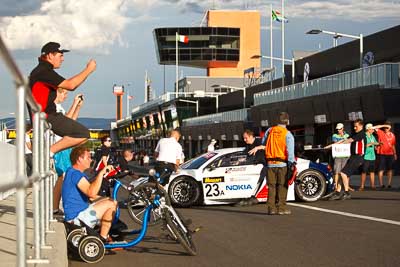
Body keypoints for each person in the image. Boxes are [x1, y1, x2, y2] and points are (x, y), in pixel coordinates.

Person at [29, 41, 96, 155]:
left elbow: (71, 83)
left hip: (44, 115)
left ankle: (48, 152)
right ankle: (48, 153)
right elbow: (71, 85)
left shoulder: (41, 71)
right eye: (60, 55)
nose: (62, 59)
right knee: (83, 133)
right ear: (50, 55)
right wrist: (89, 70)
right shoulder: (44, 72)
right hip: (46, 116)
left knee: (81, 134)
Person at [62, 146, 117, 242]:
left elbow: (90, 195)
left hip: (76, 214)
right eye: (88, 157)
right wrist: (101, 174)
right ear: (79, 159)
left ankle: (103, 232)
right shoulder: (76, 174)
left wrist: (105, 199)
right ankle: (103, 238)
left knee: (111, 201)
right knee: (111, 204)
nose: (91, 160)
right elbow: (91, 193)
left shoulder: (71, 172)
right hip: (77, 218)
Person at [53, 89, 84, 214]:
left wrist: (77, 107)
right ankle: (57, 206)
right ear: (57, 93)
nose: (65, 96)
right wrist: (74, 103)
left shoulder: (59, 107)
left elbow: (70, 123)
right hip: (60, 146)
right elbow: (64, 123)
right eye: (64, 93)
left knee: (64, 177)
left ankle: (56, 206)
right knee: (64, 177)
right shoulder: (53, 108)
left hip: (63, 145)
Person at [263, 112, 295, 215]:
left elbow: (264, 143)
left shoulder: (269, 130)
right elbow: (290, 151)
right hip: (282, 164)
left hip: (270, 163)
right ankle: (281, 208)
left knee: (271, 186)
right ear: (287, 121)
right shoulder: (287, 134)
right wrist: (291, 163)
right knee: (282, 186)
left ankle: (271, 208)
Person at [327, 119, 366, 200]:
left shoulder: (361, 134)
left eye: (356, 126)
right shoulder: (355, 133)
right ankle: (337, 192)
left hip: (358, 157)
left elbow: (348, 141)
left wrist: (336, 146)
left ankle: (347, 193)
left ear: (361, 126)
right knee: (343, 174)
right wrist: (331, 145)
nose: (355, 128)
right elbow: (344, 139)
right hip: (353, 157)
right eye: (354, 126)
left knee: (343, 173)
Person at [236, 129, 267, 206]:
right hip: (255, 167)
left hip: (267, 165)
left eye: (246, 138)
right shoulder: (248, 146)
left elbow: (270, 147)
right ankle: (249, 196)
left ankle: (254, 196)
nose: (244, 140)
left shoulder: (260, 141)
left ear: (251, 136)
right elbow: (245, 155)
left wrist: (258, 147)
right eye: (244, 138)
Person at [374, 122, 397, 189]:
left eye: (387, 127)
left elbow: (393, 145)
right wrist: (384, 125)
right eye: (385, 127)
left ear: (390, 128)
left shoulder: (392, 135)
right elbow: (374, 127)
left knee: (390, 169)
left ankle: (389, 184)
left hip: (390, 154)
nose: (386, 129)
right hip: (382, 154)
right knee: (381, 169)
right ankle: (381, 184)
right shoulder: (381, 133)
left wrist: (395, 153)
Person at [359, 123, 379, 191]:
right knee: (364, 172)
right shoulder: (364, 136)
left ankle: (373, 186)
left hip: (372, 157)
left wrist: (376, 146)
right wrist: (371, 143)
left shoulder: (372, 136)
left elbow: (375, 143)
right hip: (365, 157)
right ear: (368, 129)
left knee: (372, 172)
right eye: (372, 129)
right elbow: (363, 146)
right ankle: (362, 186)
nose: (373, 130)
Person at [331, 123, 350, 193]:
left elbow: (348, 143)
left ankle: (345, 186)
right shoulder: (334, 135)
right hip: (338, 155)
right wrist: (343, 140)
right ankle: (335, 186)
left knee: (344, 172)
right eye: (338, 129)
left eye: (340, 129)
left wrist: (344, 140)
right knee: (337, 172)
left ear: (343, 128)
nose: (338, 130)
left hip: (345, 155)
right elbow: (336, 142)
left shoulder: (347, 135)